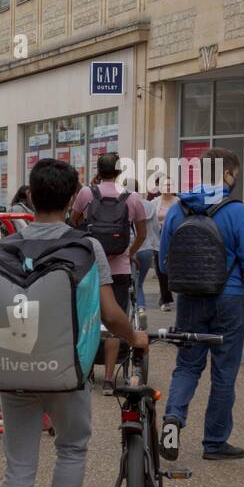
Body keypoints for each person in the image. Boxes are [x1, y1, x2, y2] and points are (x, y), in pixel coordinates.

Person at [0, 158, 148, 487]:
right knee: (72, 447)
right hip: (66, 368)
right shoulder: (87, 248)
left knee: (20, 463)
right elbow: (110, 314)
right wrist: (134, 337)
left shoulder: (8, 244)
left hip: (16, 364)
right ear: (71, 200)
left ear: (29, 196)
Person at [158, 147, 244, 461]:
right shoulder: (237, 211)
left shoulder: (179, 209)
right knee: (224, 370)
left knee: (187, 366)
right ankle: (215, 441)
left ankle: (172, 420)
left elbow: (165, 265)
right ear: (228, 174)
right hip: (228, 297)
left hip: (189, 298)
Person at [71, 153, 146, 393]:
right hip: (120, 269)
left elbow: (74, 222)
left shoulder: (86, 194)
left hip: (90, 266)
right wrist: (129, 252)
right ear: (119, 172)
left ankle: (87, 371)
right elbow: (142, 234)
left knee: (88, 318)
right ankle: (110, 378)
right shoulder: (132, 198)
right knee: (116, 319)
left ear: (98, 170)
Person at [151, 176, 178, 311]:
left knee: (174, 269)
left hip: (175, 239)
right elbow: (150, 222)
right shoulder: (155, 202)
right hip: (159, 239)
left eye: (170, 185)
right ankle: (165, 299)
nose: (168, 188)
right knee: (161, 269)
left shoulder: (179, 202)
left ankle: (165, 295)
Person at [133, 190, 160, 316]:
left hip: (131, 249)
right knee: (140, 283)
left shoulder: (127, 204)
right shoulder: (150, 206)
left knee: (132, 282)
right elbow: (156, 228)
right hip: (147, 249)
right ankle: (141, 308)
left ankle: (134, 309)